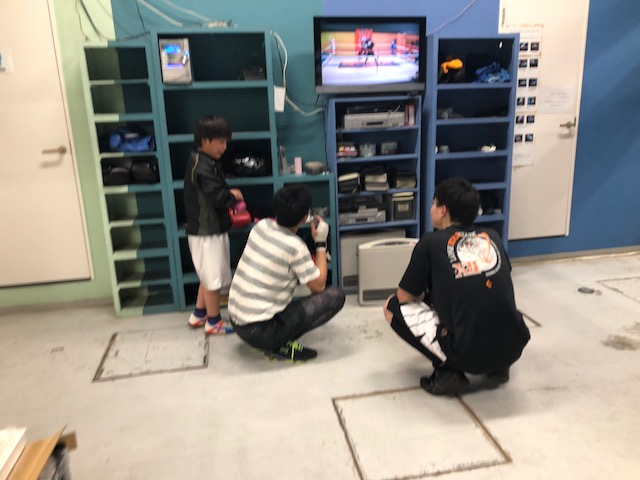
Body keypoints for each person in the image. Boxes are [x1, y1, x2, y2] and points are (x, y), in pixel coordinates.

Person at [383, 177, 530, 396]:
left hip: (468, 355)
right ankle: (498, 367)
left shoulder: (430, 243)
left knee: (391, 306)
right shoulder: (492, 236)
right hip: (513, 347)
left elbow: (404, 296)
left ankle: (447, 372)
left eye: (434, 203)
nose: (431, 208)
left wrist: (424, 297)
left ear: (443, 210)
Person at [228, 184, 345, 363]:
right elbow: (318, 286)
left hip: (237, 323)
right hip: (261, 332)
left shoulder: (261, 226)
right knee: (336, 296)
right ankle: (277, 344)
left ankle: (272, 338)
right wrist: (321, 242)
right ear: (305, 217)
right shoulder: (295, 247)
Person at [184, 115, 243, 335]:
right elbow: (219, 197)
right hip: (206, 232)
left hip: (208, 229)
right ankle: (214, 322)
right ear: (205, 140)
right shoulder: (202, 167)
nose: (224, 147)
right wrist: (234, 195)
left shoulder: (201, 161)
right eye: (220, 142)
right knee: (213, 280)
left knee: (208, 275)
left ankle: (199, 314)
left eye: (226, 142)